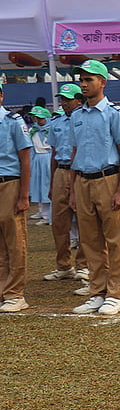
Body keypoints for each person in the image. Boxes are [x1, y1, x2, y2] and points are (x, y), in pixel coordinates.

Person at [67, 60, 120, 316]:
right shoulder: (77, 116)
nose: (83, 84)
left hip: (108, 179)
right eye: (81, 79)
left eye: (89, 79)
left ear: (103, 82)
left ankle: (114, 294)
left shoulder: (114, 113)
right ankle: (97, 292)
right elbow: (74, 153)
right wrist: (72, 190)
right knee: (90, 241)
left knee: (115, 240)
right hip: (83, 181)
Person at [43, 84, 88, 283]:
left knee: (85, 221)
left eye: (68, 99)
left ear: (79, 100)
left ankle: (84, 265)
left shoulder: (85, 119)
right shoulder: (57, 121)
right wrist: (53, 183)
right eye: (62, 99)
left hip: (80, 171)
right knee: (59, 223)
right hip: (61, 171)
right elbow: (53, 153)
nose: (64, 103)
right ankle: (63, 266)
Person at [0, 83, 32, 312]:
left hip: (9, 183)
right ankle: (3, 290)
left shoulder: (12, 121)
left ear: (1, 96)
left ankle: (15, 293)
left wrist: (23, 195)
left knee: (14, 241)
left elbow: (25, 159)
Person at [26, 106, 53, 225]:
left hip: (47, 158)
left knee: (46, 185)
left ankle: (47, 215)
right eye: (35, 118)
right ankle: (41, 210)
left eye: (40, 118)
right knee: (38, 185)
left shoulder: (51, 129)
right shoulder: (33, 130)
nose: (37, 120)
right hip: (37, 158)